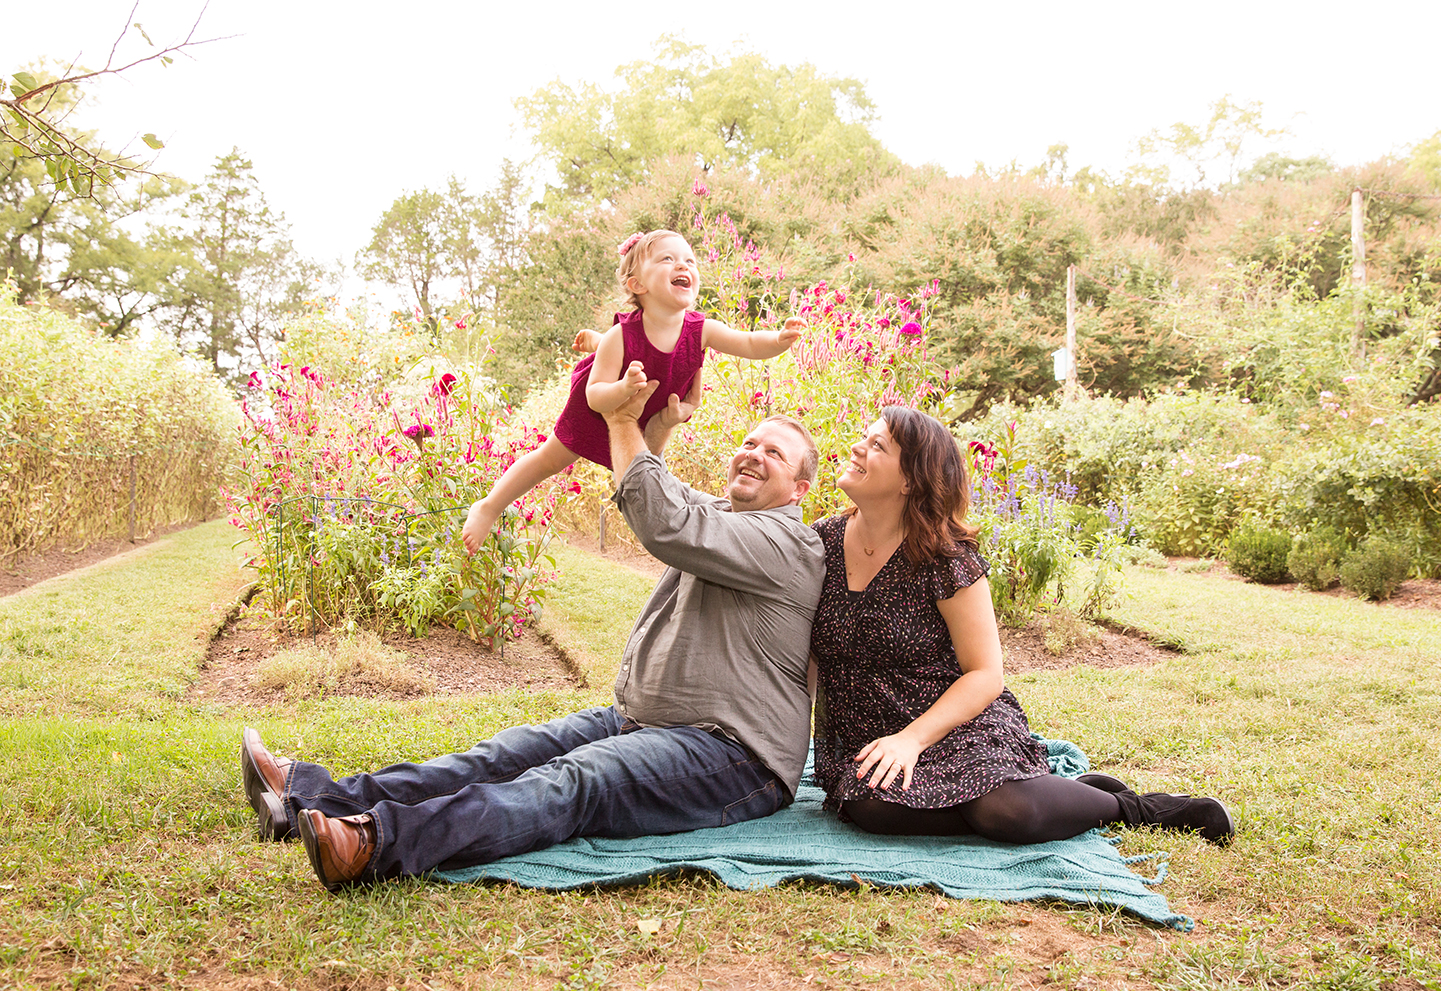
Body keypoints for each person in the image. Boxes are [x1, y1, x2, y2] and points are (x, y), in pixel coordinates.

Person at [240, 381, 827, 890]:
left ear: (799, 489)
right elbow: (656, 489)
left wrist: (622, 418)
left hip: (735, 756)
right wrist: (654, 424)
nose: (754, 454)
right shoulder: (724, 515)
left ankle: (373, 843)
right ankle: (310, 795)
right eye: (750, 443)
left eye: (774, 453)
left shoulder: (788, 544)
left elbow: (664, 521)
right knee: (501, 755)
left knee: (576, 780)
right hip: (644, 720)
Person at [810, 406, 1234, 845]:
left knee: (1009, 813)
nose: (857, 447)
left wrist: (912, 740)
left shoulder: (944, 559)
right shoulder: (821, 542)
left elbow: (985, 674)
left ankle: (1136, 807)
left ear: (909, 481)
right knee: (872, 808)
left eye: (877, 445)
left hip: (954, 725)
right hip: (871, 734)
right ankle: (1060, 795)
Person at [460, 228, 806, 555]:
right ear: (637, 284)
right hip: (605, 401)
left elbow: (748, 343)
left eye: (689, 260)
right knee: (550, 459)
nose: (683, 265)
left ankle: (595, 344)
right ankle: (488, 506)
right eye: (667, 259)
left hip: (648, 412)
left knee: (642, 473)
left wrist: (779, 339)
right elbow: (595, 395)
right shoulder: (621, 336)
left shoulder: (703, 329)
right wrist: (623, 388)